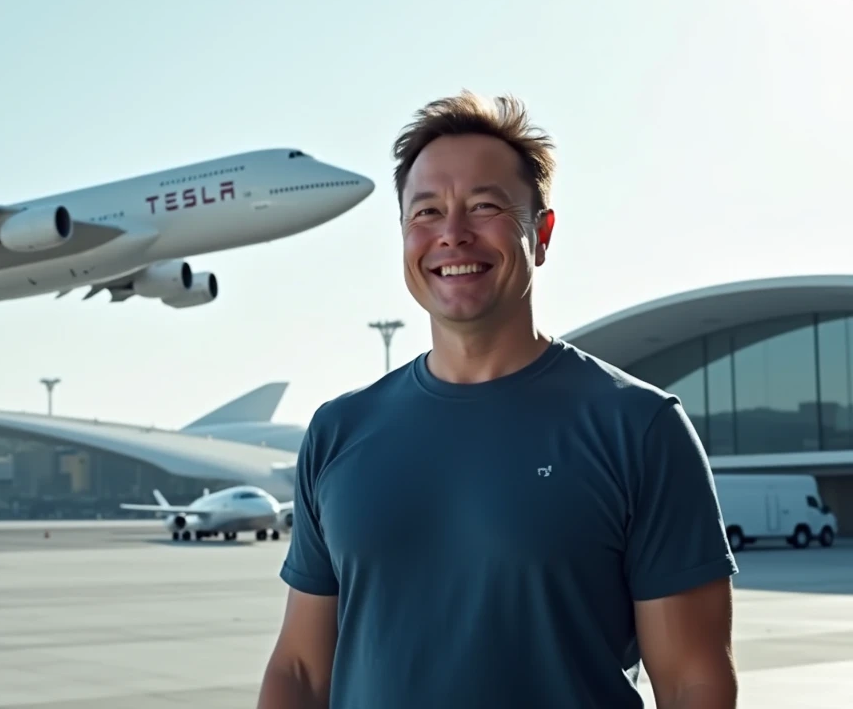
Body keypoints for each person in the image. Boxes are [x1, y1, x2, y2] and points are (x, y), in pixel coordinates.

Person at [257, 90, 739, 708]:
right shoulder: (338, 431)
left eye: (484, 206)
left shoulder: (638, 426)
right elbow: (299, 669)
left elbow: (692, 680)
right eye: (426, 212)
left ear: (541, 234)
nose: (452, 234)